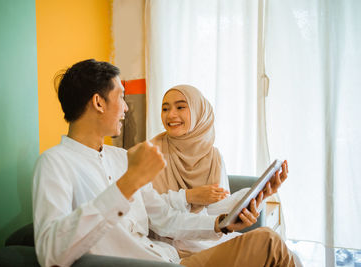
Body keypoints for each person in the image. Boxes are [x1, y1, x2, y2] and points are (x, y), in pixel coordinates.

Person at [32, 59, 297, 267]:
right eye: (121, 96)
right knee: (268, 243)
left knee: (279, 252)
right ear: (99, 102)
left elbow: (166, 219)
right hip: (150, 265)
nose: (126, 108)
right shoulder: (54, 163)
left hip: (170, 259)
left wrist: (221, 225)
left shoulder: (121, 158)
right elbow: (50, 253)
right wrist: (124, 188)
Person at [151, 85, 265, 252]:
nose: (171, 115)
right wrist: (190, 196)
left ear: (199, 112)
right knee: (267, 246)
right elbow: (151, 212)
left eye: (180, 107)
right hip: (171, 243)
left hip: (209, 235)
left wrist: (257, 197)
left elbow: (215, 207)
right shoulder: (150, 153)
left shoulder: (213, 157)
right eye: (165, 108)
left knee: (270, 246)